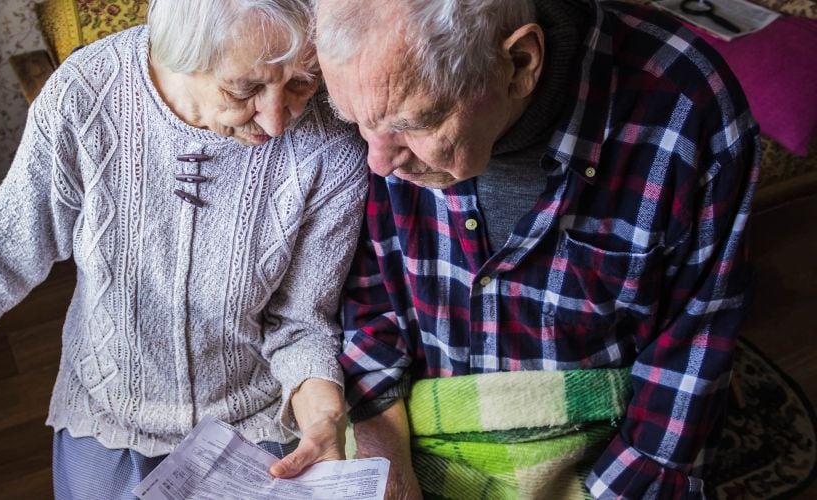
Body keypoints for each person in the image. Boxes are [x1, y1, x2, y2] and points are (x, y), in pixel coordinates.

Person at [0, 0, 368, 498]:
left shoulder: (333, 145)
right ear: (182, 54)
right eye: (244, 90)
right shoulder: (86, 97)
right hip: (108, 409)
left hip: (254, 417)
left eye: (301, 82)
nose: (277, 119)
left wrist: (322, 415)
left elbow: (300, 320)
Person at [315, 0, 759, 498]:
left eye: (415, 124)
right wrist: (385, 461)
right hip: (418, 432)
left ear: (521, 63)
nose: (377, 162)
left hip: (595, 459)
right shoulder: (377, 91)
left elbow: (689, 358)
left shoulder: (686, 107)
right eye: (356, 122)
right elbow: (370, 296)